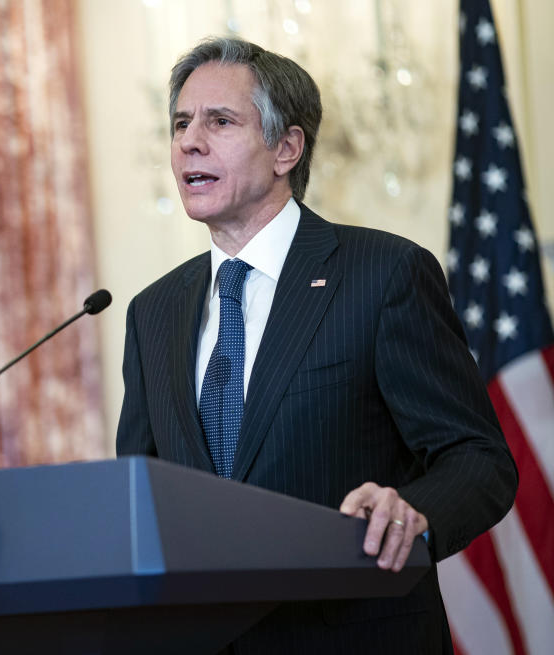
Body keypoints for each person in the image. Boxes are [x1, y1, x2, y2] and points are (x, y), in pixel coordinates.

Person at [116, 36, 517, 654]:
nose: (188, 141)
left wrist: (412, 511)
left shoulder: (383, 274)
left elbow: (479, 459)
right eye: (180, 124)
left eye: (220, 121)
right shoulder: (153, 312)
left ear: (286, 148)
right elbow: (139, 491)